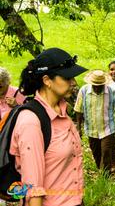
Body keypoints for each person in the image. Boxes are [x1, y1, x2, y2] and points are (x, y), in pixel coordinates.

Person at [10, 48, 87, 206]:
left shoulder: (62, 110)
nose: (73, 82)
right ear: (47, 80)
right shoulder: (31, 121)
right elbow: (33, 188)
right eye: (67, 77)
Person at [75, 70, 115, 174]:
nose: (96, 88)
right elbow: (79, 110)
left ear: (104, 84)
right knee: (96, 152)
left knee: (106, 151)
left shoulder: (112, 92)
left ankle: (105, 175)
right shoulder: (84, 91)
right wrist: (79, 127)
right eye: (94, 85)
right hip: (91, 129)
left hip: (108, 129)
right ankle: (102, 170)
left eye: (99, 86)